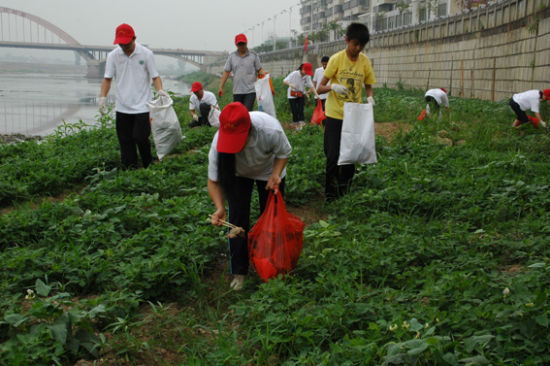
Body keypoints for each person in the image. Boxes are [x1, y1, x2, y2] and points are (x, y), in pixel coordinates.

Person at [207, 102, 292, 290]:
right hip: (238, 174)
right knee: (237, 221)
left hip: (269, 172)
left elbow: (284, 152)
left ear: (249, 130)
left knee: (272, 219)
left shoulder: (269, 129)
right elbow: (213, 180)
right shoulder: (218, 143)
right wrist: (220, 207)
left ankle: (272, 266)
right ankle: (239, 272)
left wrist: (276, 174)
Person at [317, 23, 376, 202]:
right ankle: (330, 193)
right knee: (332, 155)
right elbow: (319, 89)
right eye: (355, 44)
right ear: (347, 40)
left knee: (351, 154)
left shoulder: (364, 62)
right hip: (335, 114)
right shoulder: (336, 59)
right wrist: (332, 87)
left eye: (361, 46)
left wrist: (370, 99)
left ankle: (345, 191)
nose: (357, 49)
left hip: (354, 115)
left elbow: (368, 86)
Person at [99, 23, 167, 169]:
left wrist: (160, 90)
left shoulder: (146, 54)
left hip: (142, 106)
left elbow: (155, 76)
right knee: (125, 140)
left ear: (134, 38)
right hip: (122, 106)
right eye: (121, 44)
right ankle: (130, 169)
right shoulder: (113, 56)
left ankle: (148, 164)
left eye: (127, 43)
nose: (124, 47)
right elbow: (107, 79)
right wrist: (102, 98)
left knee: (141, 137)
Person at [218, 33, 265, 111]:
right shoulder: (232, 57)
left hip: (250, 90)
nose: (242, 46)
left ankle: (249, 123)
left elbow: (259, 69)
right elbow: (226, 72)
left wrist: (262, 73)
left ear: (246, 43)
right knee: (238, 113)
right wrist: (221, 87)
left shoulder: (253, 55)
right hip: (237, 91)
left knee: (247, 111)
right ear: (236, 45)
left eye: (243, 43)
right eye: (239, 44)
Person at [283, 62, 318, 130]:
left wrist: (317, 94)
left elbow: (311, 86)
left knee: (300, 109)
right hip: (292, 95)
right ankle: (296, 124)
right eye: (306, 71)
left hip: (301, 94)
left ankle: (301, 124)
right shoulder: (294, 74)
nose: (306, 73)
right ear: (302, 69)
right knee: (294, 110)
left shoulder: (307, 76)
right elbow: (284, 81)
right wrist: (290, 85)